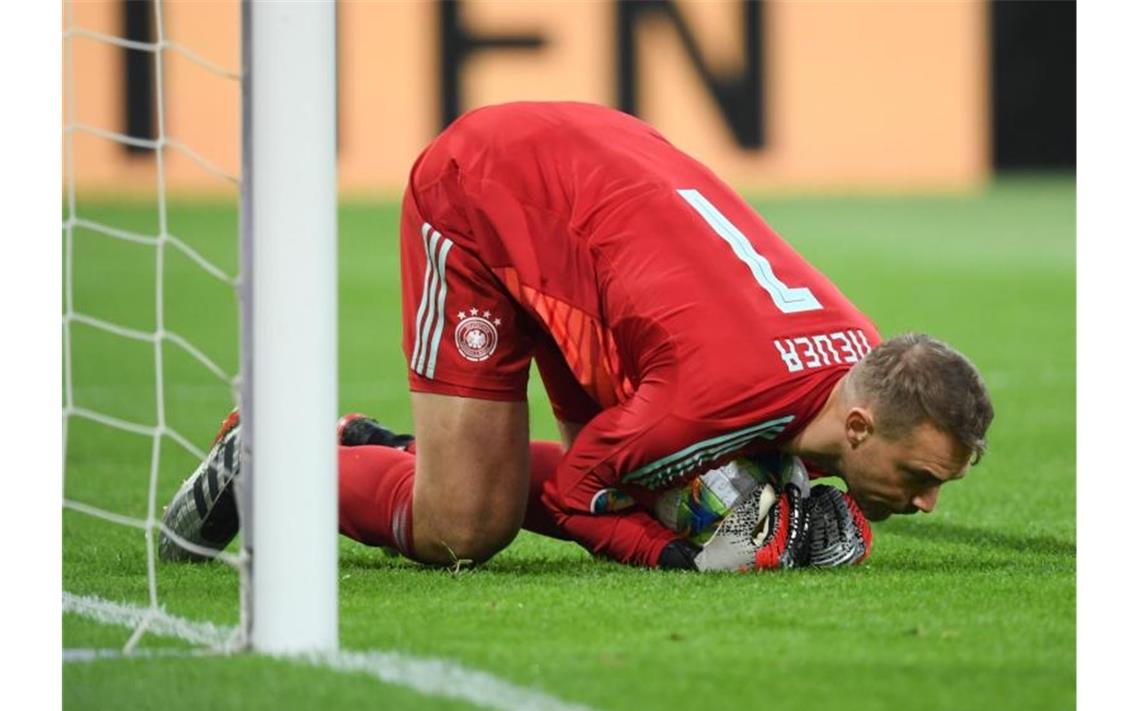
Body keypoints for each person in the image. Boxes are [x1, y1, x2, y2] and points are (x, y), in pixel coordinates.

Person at [160, 102, 993, 571]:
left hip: (600, 198)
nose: (925, 501)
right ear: (857, 425)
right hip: (487, 192)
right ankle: (265, 461)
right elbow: (578, 492)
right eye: (920, 475)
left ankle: (359, 445)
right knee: (465, 526)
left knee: (650, 472)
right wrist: (674, 556)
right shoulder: (714, 397)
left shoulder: (856, 361)